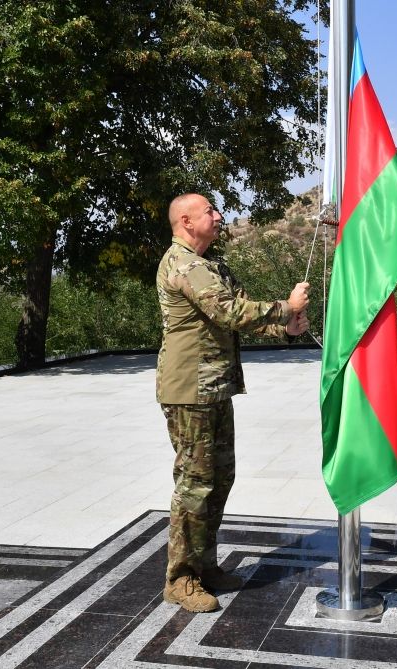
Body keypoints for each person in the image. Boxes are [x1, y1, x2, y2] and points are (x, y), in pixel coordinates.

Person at [156, 193, 310, 612]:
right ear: (186, 221)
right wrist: (285, 307)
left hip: (214, 387)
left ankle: (205, 567)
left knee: (219, 478)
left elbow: (243, 314)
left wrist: (288, 329)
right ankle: (181, 578)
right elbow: (227, 312)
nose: (219, 216)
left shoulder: (212, 265)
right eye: (210, 211)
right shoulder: (183, 263)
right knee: (195, 483)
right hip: (190, 390)